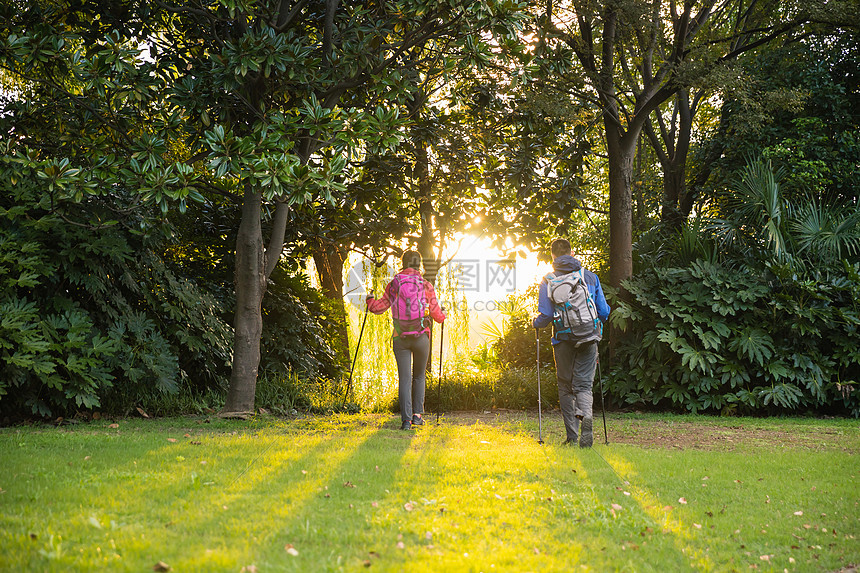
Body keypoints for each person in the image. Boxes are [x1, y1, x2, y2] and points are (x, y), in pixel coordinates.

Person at [533, 239, 610, 447]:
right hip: (589, 336)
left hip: (563, 339)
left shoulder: (548, 279)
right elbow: (603, 312)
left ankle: (572, 437)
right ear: (572, 253)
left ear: (553, 257)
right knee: (584, 385)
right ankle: (586, 418)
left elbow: (546, 315)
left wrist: (536, 323)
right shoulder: (590, 277)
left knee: (566, 386)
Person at [367, 250, 446, 430]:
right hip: (421, 337)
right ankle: (418, 416)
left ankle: (406, 421)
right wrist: (443, 315)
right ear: (419, 264)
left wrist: (370, 300)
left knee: (404, 378)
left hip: (400, 338)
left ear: (403, 263)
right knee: (419, 376)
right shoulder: (426, 285)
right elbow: (436, 314)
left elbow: (379, 308)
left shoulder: (394, 284)